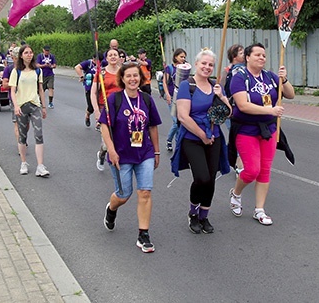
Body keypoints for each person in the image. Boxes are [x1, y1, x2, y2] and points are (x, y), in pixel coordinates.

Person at [227, 43, 295, 225]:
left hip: (268, 130)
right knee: (251, 170)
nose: (261, 58)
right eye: (257, 55)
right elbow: (242, 105)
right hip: (246, 129)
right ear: (247, 57)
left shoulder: (270, 77)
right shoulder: (239, 77)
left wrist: (285, 79)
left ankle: (259, 210)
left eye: (264, 55)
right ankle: (236, 193)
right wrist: (270, 110)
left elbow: (290, 95)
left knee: (265, 170)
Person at [100, 62, 162, 253]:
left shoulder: (147, 99)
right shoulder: (114, 99)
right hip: (121, 155)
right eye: (129, 76)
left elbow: (152, 126)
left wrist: (157, 151)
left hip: (144, 153)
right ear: (123, 79)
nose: (133, 79)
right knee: (124, 194)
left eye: (136, 75)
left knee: (145, 192)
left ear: (140, 78)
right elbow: (104, 125)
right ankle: (111, 209)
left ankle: (143, 234)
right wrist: (110, 150)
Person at [173, 49, 231, 234]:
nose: (207, 67)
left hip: (215, 138)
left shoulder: (215, 86)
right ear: (196, 64)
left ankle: (204, 216)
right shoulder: (186, 85)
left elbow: (228, 112)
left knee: (211, 180)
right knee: (202, 178)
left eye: (211, 65)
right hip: (193, 138)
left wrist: (221, 97)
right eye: (204, 63)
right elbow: (183, 116)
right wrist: (202, 135)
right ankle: (192, 213)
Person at [9, 44, 50, 178]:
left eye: (31, 52)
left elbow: (40, 90)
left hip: (34, 105)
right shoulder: (16, 71)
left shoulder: (38, 71)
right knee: (23, 136)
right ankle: (24, 162)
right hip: (22, 106)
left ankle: (40, 166)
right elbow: (12, 91)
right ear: (21, 55)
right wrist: (16, 106)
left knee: (39, 134)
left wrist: (44, 107)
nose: (29, 55)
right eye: (26, 53)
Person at [91, 48, 121, 171]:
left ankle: (119, 164)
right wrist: (97, 111)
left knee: (119, 138)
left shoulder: (123, 72)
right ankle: (102, 154)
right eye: (110, 55)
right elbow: (93, 93)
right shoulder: (101, 73)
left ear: (119, 57)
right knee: (106, 143)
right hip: (105, 109)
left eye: (115, 54)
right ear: (106, 58)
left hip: (121, 108)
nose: (113, 57)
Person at [221, 43, 246, 172]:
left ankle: (229, 158)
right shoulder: (228, 72)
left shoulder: (247, 69)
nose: (245, 55)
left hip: (244, 110)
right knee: (238, 137)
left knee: (237, 137)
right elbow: (222, 91)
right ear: (234, 57)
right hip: (232, 110)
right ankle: (238, 165)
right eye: (241, 53)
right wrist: (227, 106)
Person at [164, 48, 187, 151]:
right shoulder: (169, 68)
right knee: (176, 122)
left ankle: (178, 143)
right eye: (181, 56)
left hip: (181, 98)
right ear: (175, 56)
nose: (183, 59)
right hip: (172, 97)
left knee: (180, 121)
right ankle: (171, 141)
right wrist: (167, 95)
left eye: (184, 57)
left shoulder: (185, 68)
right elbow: (165, 82)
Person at [74, 54, 97, 127]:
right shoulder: (88, 63)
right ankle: (87, 115)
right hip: (89, 87)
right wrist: (81, 76)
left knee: (101, 106)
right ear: (93, 59)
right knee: (91, 107)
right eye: (96, 60)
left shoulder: (103, 64)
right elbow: (77, 67)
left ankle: (98, 123)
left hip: (100, 88)